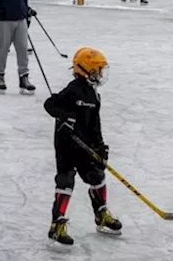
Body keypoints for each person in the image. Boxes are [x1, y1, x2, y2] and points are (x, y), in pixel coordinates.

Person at [43, 46, 120, 245]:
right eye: (98, 70)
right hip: (67, 144)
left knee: (96, 175)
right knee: (66, 181)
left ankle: (101, 214)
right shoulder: (73, 90)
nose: (101, 74)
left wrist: (100, 147)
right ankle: (56, 226)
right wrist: (65, 117)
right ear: (87, 70)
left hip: (85, 144)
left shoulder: (94, 96)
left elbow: (95, 124)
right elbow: (50, 104)